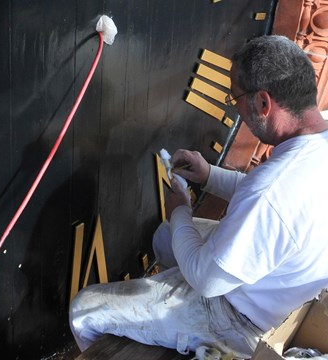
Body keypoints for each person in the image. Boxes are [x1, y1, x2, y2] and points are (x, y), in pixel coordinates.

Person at [69, 35, 328, 358]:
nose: (238, 111)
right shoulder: (319, 138)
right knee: (167, 237)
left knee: (85, 310)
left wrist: (180, 211)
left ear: (263, 103)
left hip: (241, 319)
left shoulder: (273, 190)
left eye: (236, 99)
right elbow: (270, 201)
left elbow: (208, 281)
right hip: (284, 282)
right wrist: (209, 176)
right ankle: (163, 308)